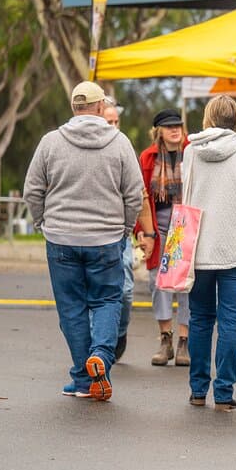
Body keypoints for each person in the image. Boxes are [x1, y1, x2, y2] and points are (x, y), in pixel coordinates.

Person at [23, 81, 143, 401]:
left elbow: (32, 190)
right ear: (101, 105)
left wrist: (42, 222)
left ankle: (82, 378)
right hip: (105, 238)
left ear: (73, 106)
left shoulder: (50, 143)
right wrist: (126, 227)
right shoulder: (119, 143)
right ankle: (101, 358)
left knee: (72, 308)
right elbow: (134, 194)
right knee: (106, 300)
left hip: (61, 237)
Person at [184, 95, 236, 410]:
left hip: (199, 248)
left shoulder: (190, 152)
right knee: (231, 319)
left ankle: (197, 389)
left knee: (200, 319)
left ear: (207, 118)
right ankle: (224, 393)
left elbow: (187, 191)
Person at [136, 108, 192, 366]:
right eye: (169, 126)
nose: (174, 130)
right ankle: (165, 338)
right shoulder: (148, 157)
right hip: (158, 223)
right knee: (158, 283)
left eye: (178, 125)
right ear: (158, 130)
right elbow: (141, 197)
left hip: (186, 220)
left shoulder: (192, 152)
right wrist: (143, 232)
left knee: (186, 283)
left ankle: (184, 341)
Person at [103, 99, 153, 361]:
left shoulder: (125, 148)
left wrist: (143, 231)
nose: (112, 126)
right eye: (107, 121)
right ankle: (98, 345)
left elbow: (138, 195)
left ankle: (120, 332)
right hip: (93, 233)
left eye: (115, 122)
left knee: (124, 290)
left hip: (121, 233)